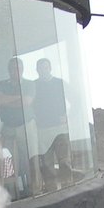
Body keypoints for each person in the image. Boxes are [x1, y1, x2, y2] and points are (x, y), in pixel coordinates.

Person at [0, 57, 38, 195]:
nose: (15, 70)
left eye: (18, 68)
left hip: (26, 126)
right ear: (8, 70)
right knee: (9, 161)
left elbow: (26, 102)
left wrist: (7, 100)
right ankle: (13, 192)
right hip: (8, 127)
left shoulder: (29, 84)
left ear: (22, 69)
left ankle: (34, 189)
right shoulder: (1, 84)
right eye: (12, 68)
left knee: (31, 158)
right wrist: (18, 97)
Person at [33, 58, 72, 191]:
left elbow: (75, 98)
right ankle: (52, 191)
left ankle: (68, 189)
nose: (43, 70)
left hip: (60, 129)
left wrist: (68, 116)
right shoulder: (34, 86)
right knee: (47, 164)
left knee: (64, 161)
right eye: (41, 68)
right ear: (37, 70)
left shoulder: (59, 83)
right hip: (43, 130)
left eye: (46, 67)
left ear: (50, 68)